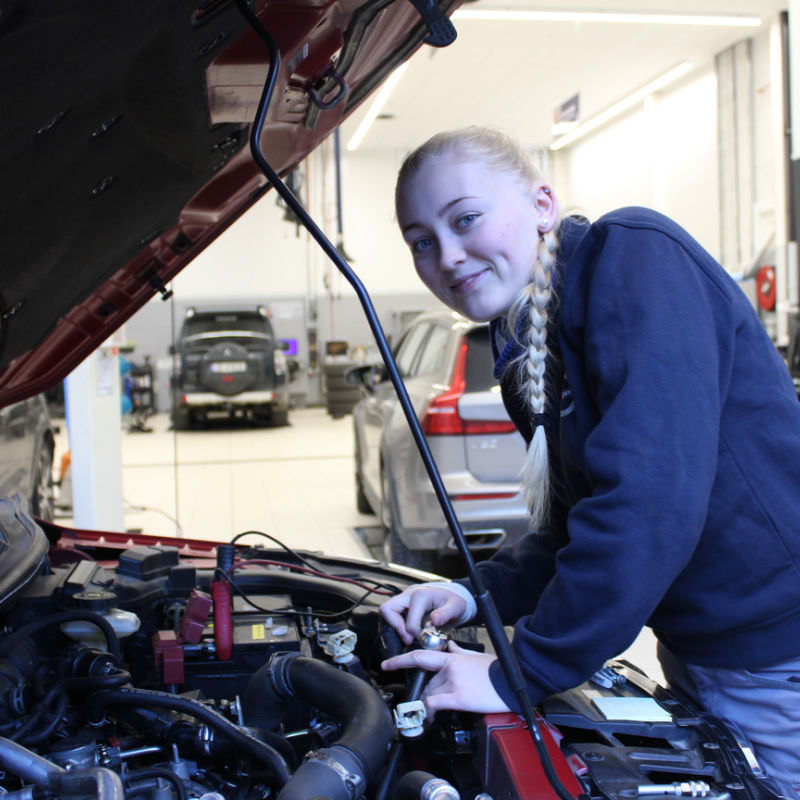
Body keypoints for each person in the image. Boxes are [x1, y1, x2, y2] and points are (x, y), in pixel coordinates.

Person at [378, 126, 800, 795]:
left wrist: (517, 672)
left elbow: (649, 504)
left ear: (542, 205)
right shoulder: (523, 357)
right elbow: (576, 523)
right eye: (421, 242)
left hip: (778, 657)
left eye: (465, 219)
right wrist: (473, 593)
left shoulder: (635, 258)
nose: (448, 256)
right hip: (697, 649)